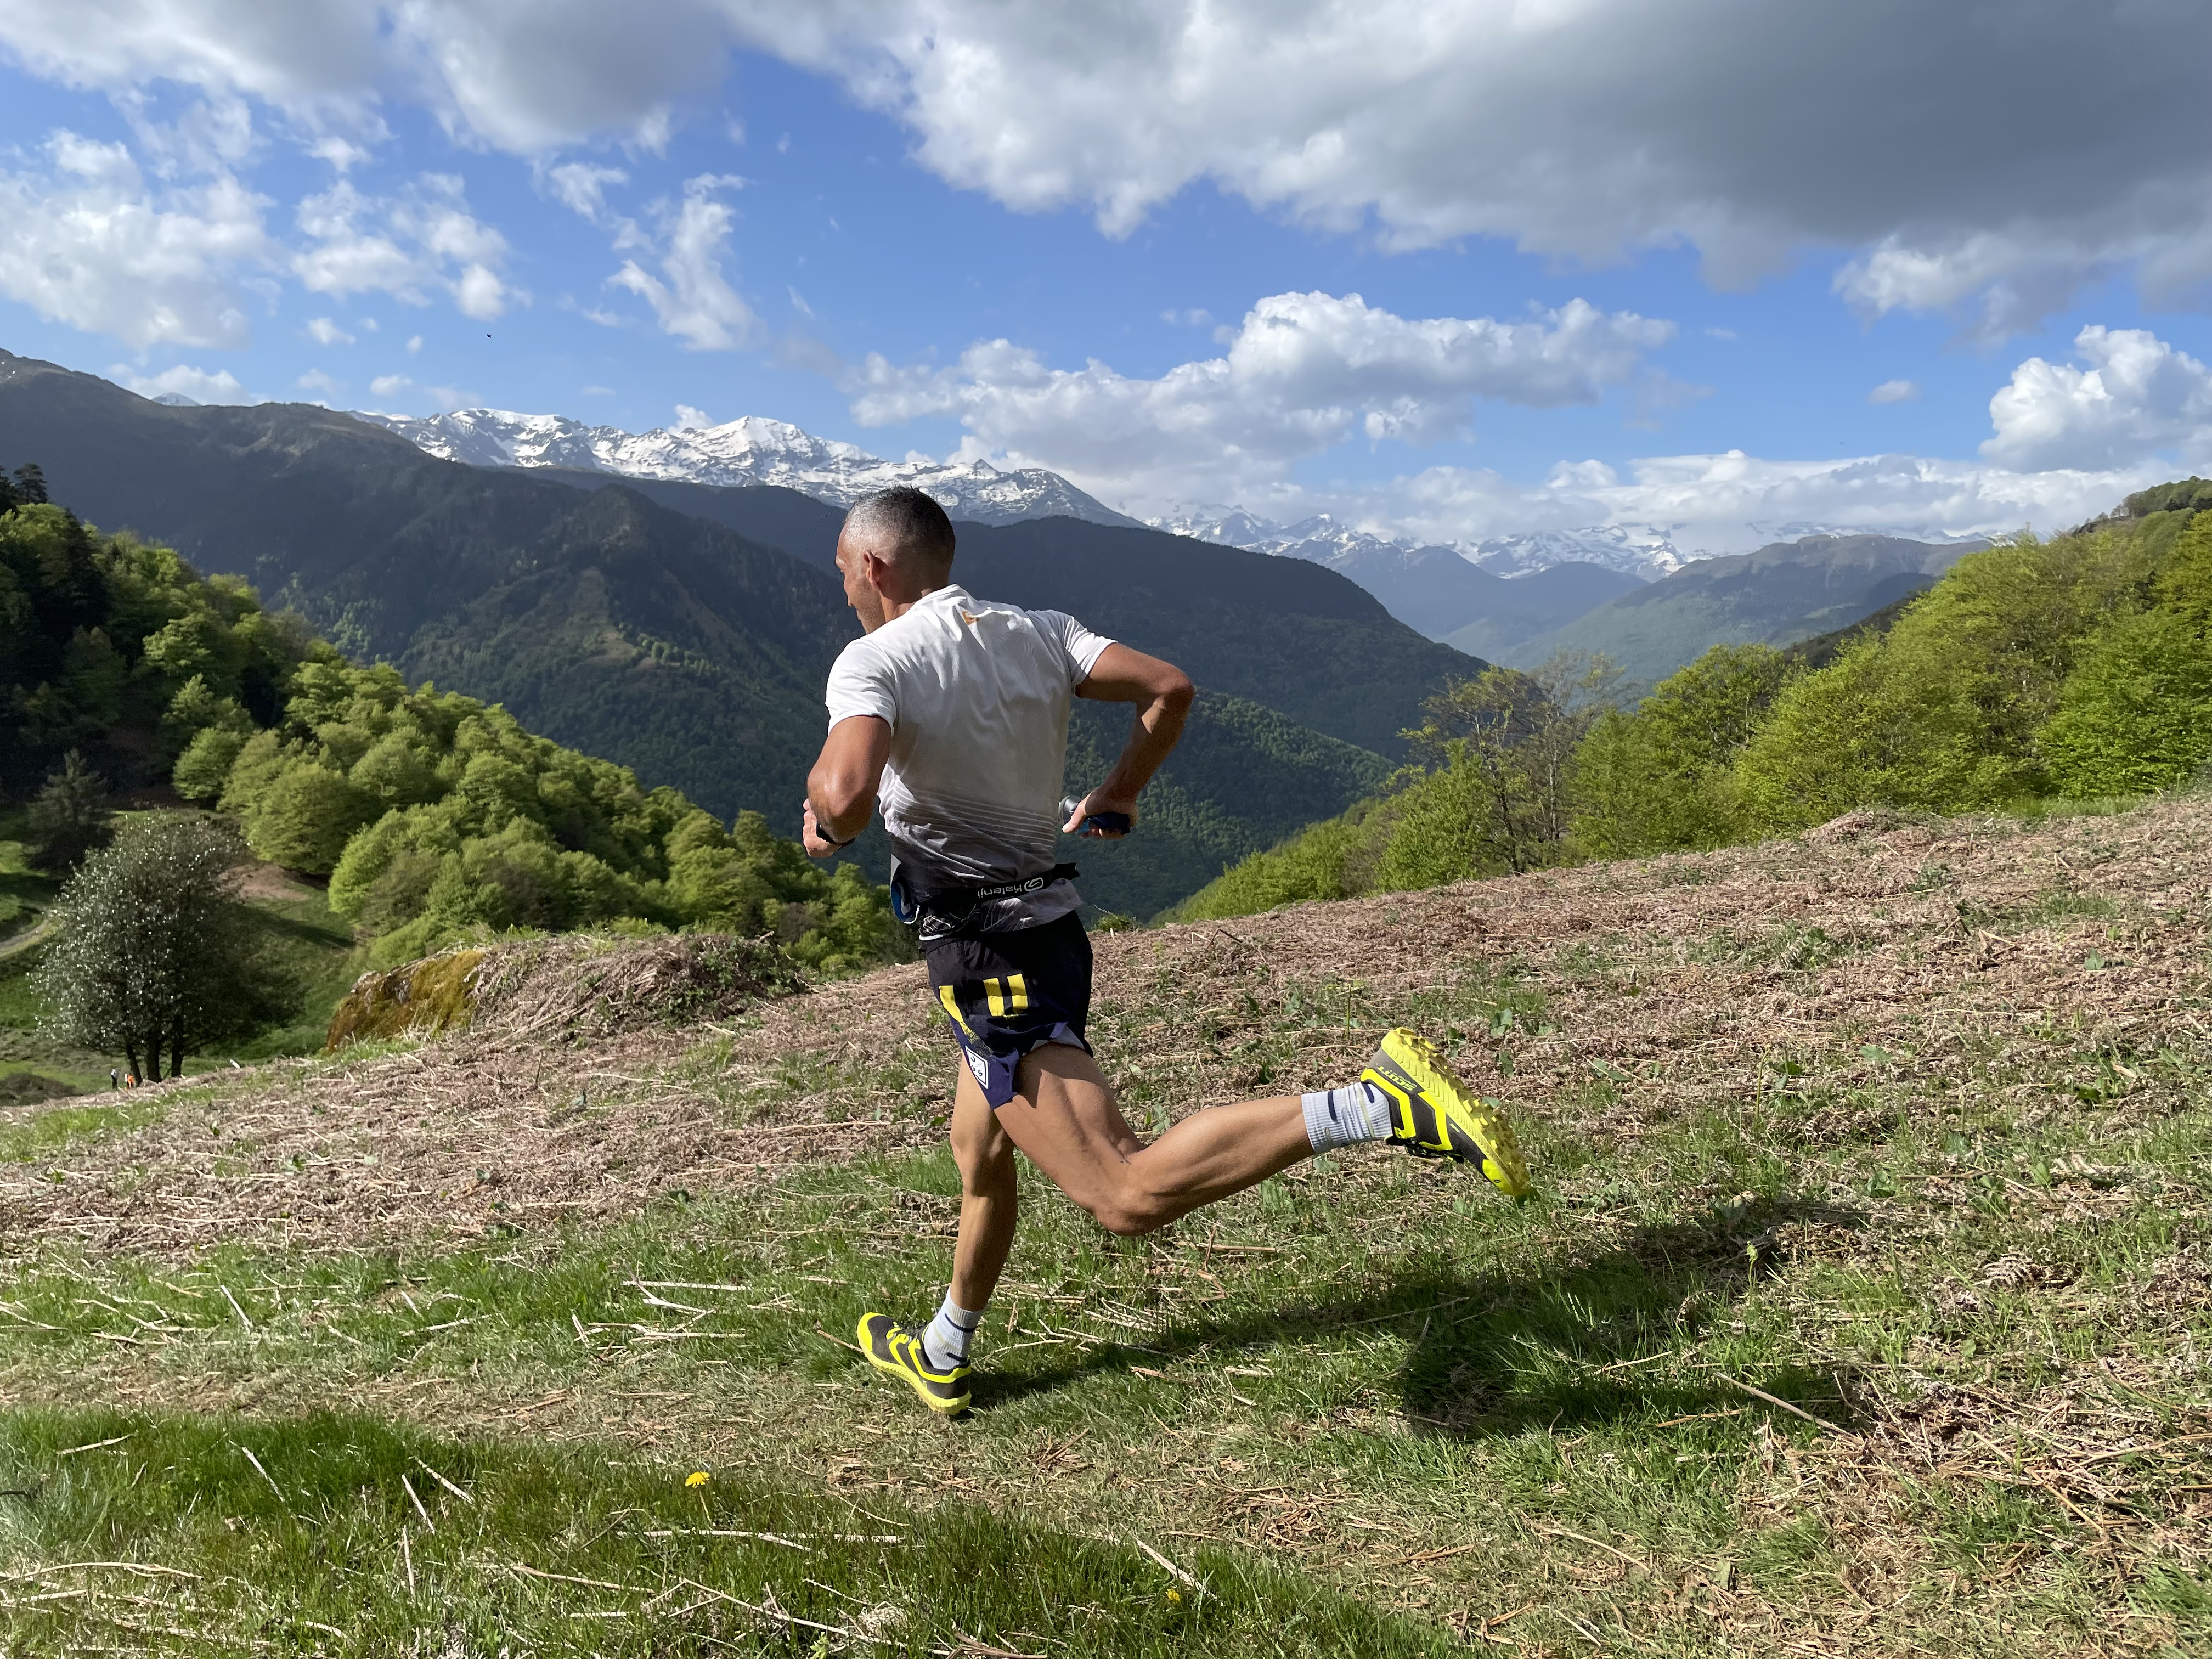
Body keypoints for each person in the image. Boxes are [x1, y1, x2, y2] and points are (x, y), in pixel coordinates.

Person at [803, 487, 1530, 1416]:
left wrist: (825, 818)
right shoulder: (1038, 629)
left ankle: (1374, 1103)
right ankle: (945, 1348)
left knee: (1123, 1193)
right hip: (1050, 928)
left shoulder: (873, 661)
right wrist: (1121, 790)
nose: (844, 595)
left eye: (842, 574)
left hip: (991, 959)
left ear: (873, 566)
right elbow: (1168, 687)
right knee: (977, 1149)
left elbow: (851, 793)